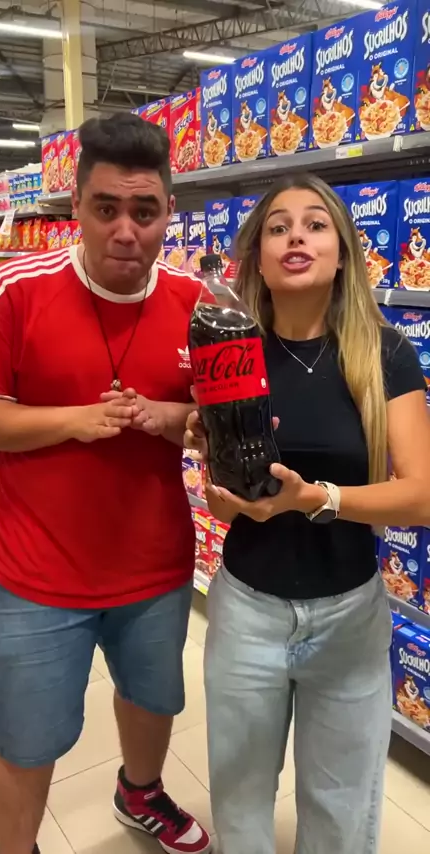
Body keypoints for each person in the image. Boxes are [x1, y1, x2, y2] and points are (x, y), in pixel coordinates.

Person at [0, 114, 211, 854]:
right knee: (27, 737)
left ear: (169, 212)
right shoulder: (13, 288)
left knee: (153, 699)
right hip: (33, 575)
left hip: (156, 569)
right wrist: (72, 421)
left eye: (145, 211)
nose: (125, 231)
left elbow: (218, 424)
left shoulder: (197, 303)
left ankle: (140, 793)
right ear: (77, 208)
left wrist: (176, 417)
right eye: (106, 209)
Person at [185, 173, 430, 854]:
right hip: (247, 612)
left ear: (343, 252)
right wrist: (219, 478)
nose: (296, 236)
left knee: (341, 811)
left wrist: (315, 498)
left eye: (316, 224)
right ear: (258, 259)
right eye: (278, 227)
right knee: (240, 802)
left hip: (350, 617)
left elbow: (422, 495)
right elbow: (224, 482)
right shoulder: (230, 350)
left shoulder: (385, 353)